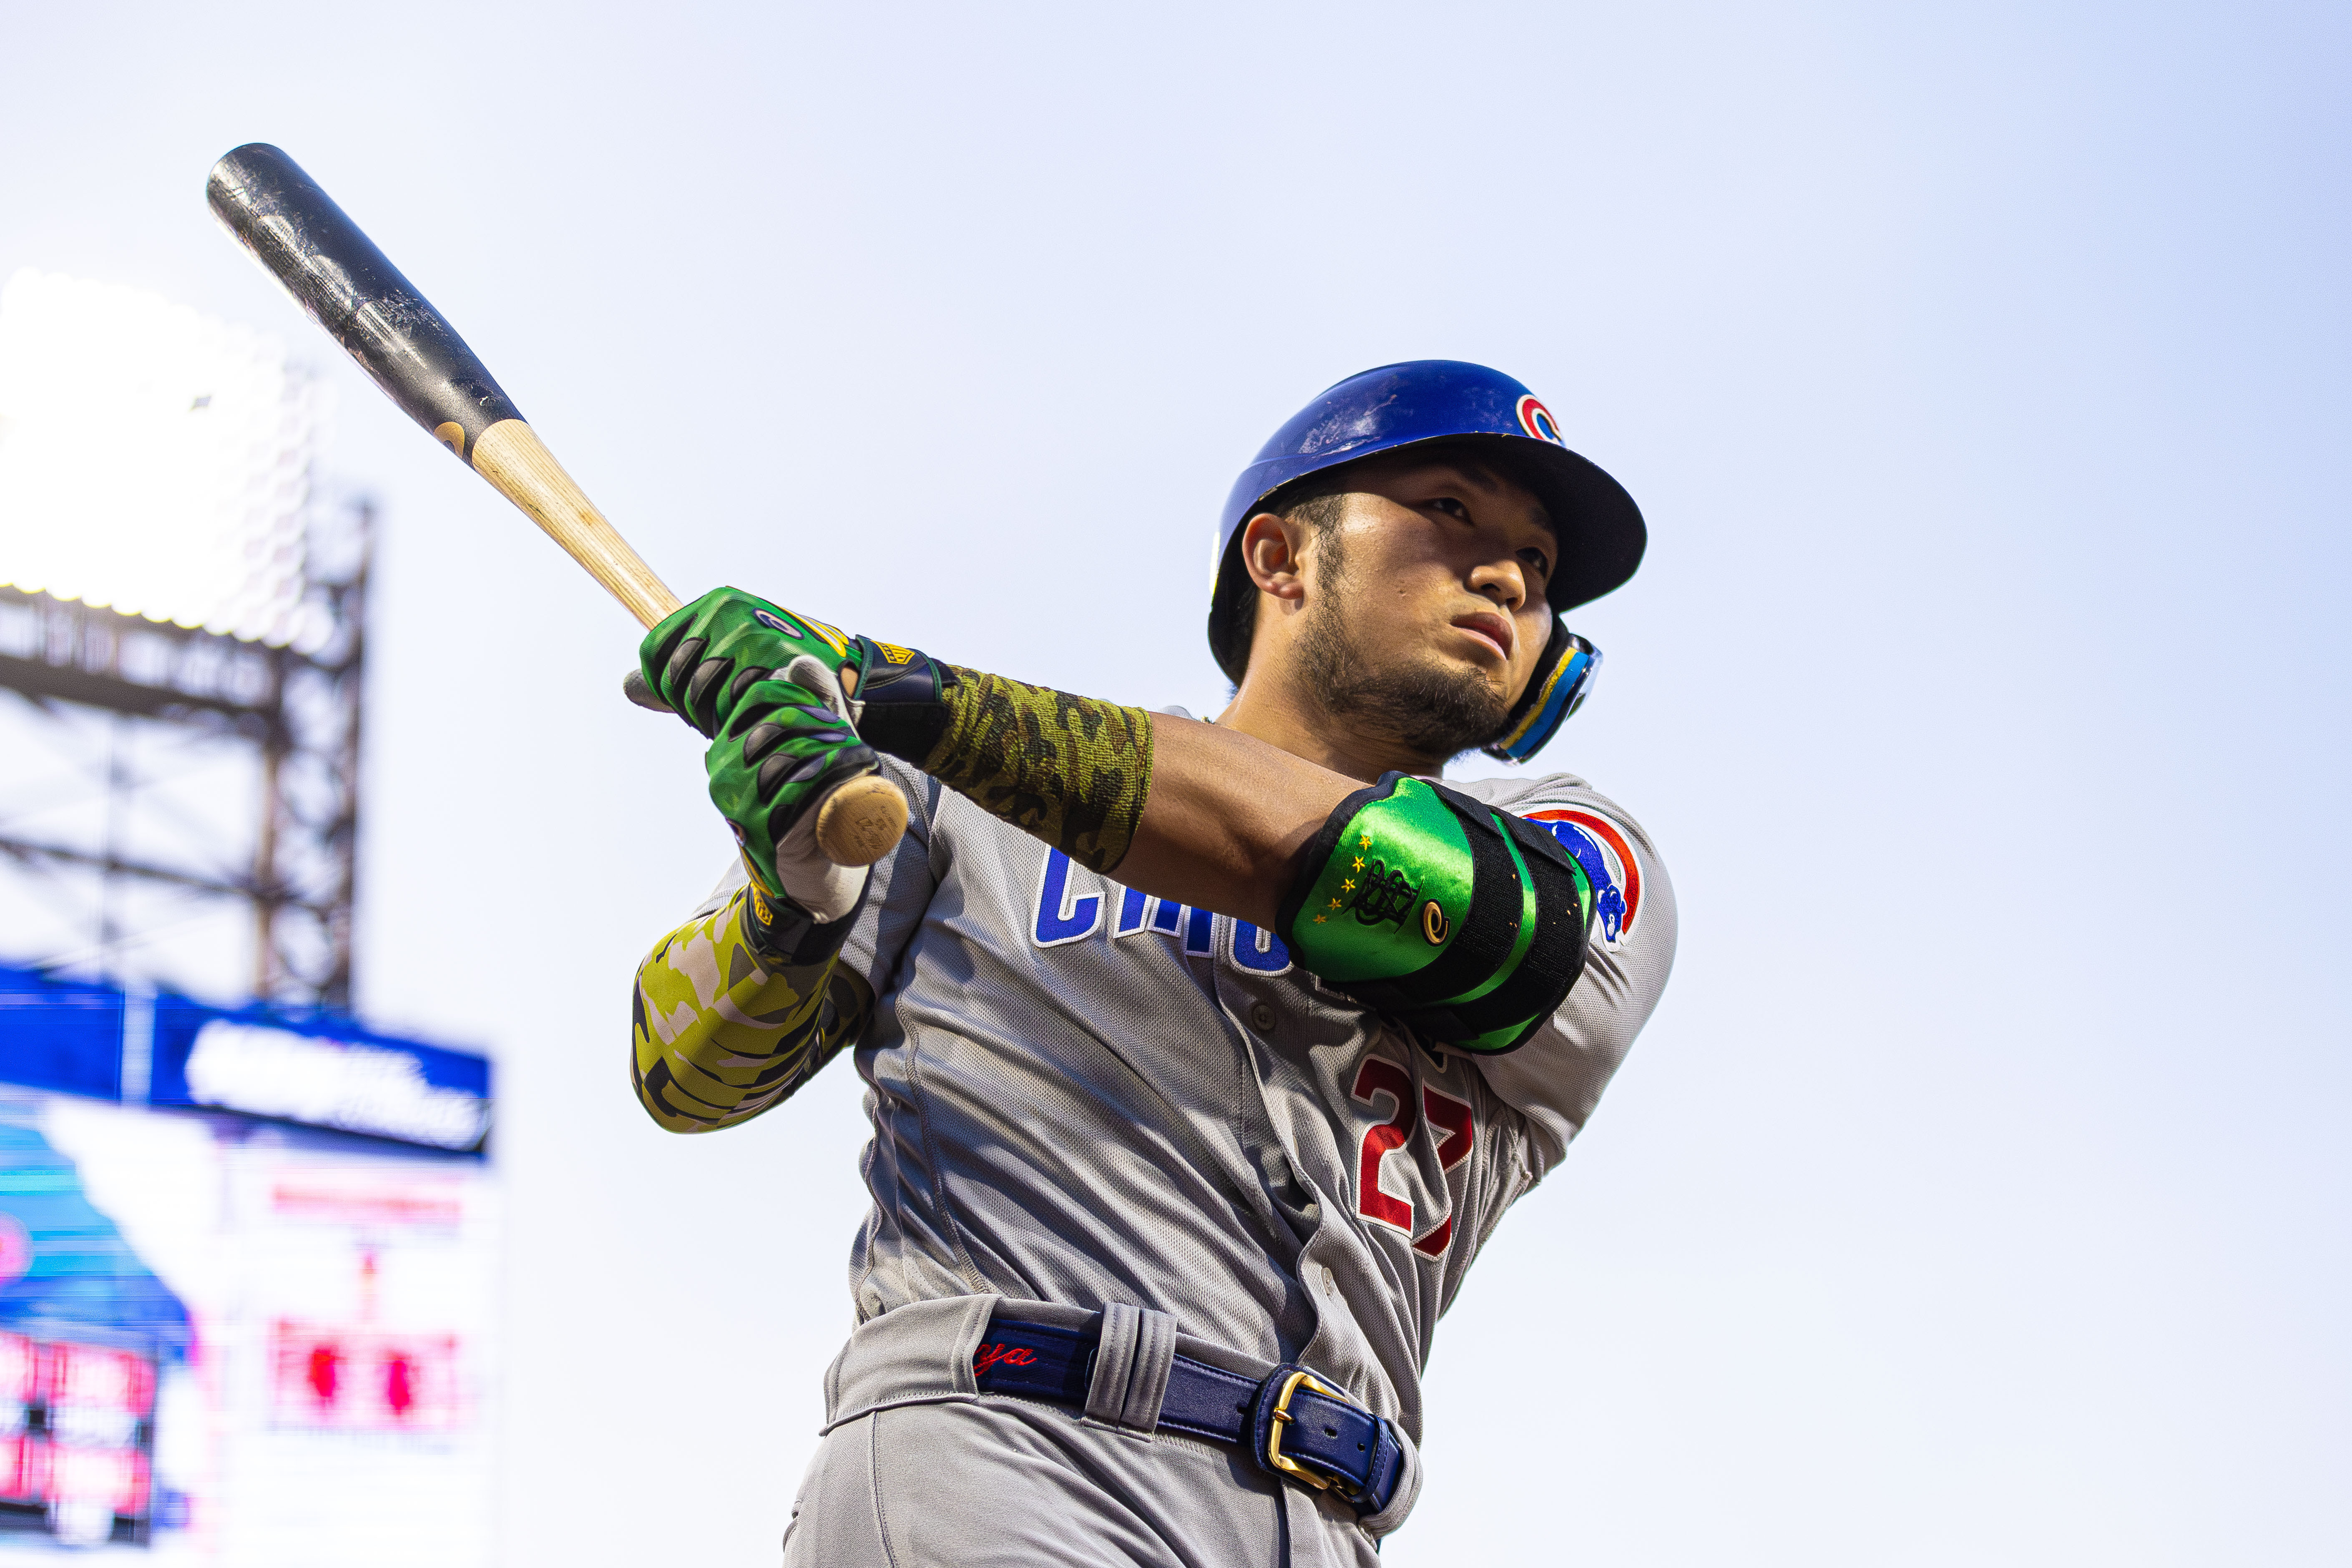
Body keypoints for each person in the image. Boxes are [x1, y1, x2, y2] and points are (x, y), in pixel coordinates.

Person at [628, 360, 1676, 1565]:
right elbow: (683, 1075)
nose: (1506, 574)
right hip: (1011, 1448)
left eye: (1539, 567)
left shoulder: (1581, 852)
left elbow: (1464, 915)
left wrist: (891, 688)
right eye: (1452, 511)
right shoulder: (955, 799)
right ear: (1282, 559)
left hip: (1331, 1520)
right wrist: (789, 902)